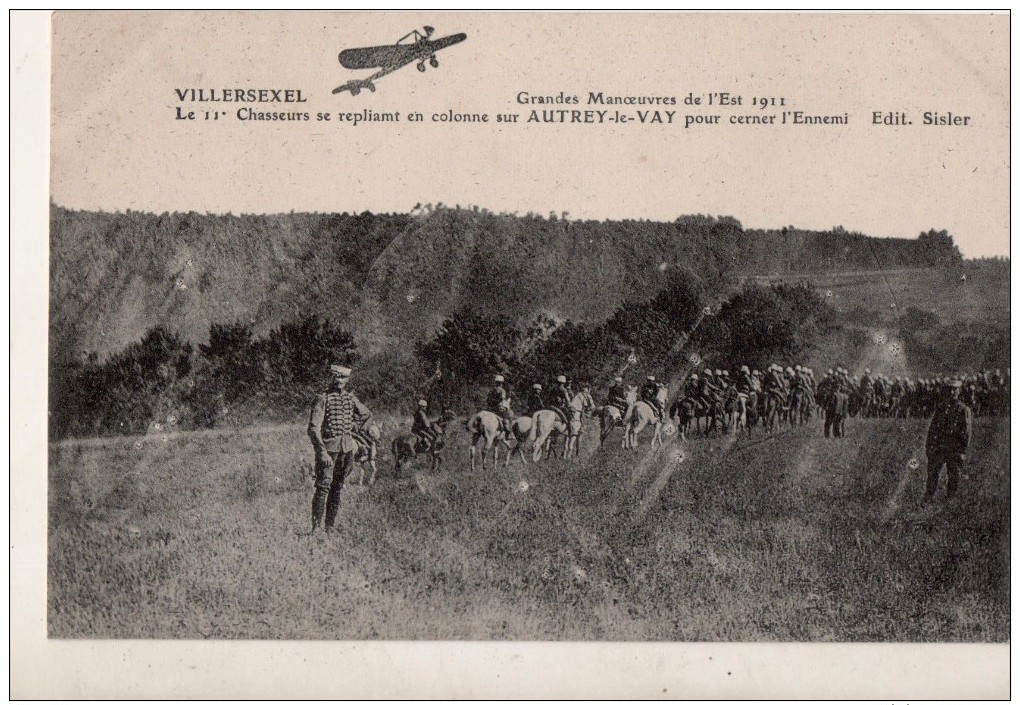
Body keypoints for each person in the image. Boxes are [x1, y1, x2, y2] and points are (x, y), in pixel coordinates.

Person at [307, 364, 372, 533]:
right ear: (331, 377)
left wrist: (355, 427)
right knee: (323, 487)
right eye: (336, 377)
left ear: (348, 379)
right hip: (329, 450)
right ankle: (315, 528)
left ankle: (330, 527)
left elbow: (366, 414)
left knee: (337, 487)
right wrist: (321, 452)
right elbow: (313, 428)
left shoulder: (350, 398)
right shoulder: (323, 398)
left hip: (347, 450)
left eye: (343, 377)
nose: (339, 380)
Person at [923, 379, 973, 503]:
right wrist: (929, 446)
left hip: (954, 447)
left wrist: (962, 450)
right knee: (933, 472)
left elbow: (966, 432)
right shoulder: (941, 408)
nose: (951, 392)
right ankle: (928, 497)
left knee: (953, 475)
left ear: (958, 391)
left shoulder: (963, 409)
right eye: (949, 389)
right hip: (939, 447)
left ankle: (950, 499)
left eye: (954, 390)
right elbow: (933, 429)